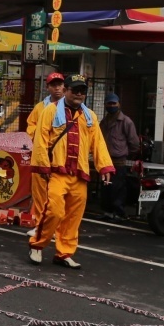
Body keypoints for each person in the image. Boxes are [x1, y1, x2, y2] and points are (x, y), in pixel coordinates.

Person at [28, 74, 115, 268]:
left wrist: (105, 166)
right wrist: (43, 165)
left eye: (82, 91)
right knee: (54, 211)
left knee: (73, 216)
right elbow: (40, 141)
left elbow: (98, 143)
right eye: (74, 90)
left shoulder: (89, 116)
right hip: (57, 172)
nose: (78, 94)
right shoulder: (49, 111)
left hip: (79, 174)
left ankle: (64, 252)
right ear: (66, 90)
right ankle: (37, 245)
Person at [26, 72, 65, 230]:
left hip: (60, 157)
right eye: (53, 85)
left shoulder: (70, 106)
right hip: (42, 154)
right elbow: (30, 127)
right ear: (47, 87)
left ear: (64, 86)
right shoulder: (40, 107)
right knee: (41, 193)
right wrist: (42, 134)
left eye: (60, 84)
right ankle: (41, 225)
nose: (57, 88)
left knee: (59, 194)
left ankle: (57, 227)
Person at [100, 92, 139, 221]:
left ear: (119, 104)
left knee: (118, 188)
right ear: (105, 105)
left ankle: (119, 212)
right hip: (105, 161)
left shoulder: (126, 122)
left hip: (119, 161)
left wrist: (128, 156)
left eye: (113, 103)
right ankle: (107, 211)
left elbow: (134, 142)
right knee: (106, 187)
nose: (111, 105)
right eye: (109, 103)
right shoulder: (104, 122)